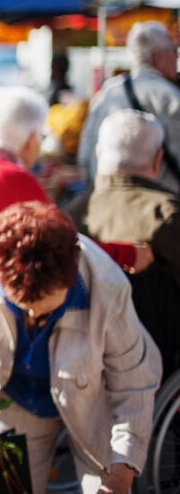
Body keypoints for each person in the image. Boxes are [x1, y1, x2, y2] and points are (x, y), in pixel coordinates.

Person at [0, 85, 147, 435]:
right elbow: (63, 246)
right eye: (39, 136)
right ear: (28, 138)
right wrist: (128, 253)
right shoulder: (13, 178)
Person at [0, 201, 161, 494]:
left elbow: (135, 385)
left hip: (95, 407)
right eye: (22, 309)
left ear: (70, 279)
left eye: (45, 311)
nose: (33, 318)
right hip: (14, 403)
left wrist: (121, 475)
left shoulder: (108, 287)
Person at [65, 109, 180, 379]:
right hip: (155, 362)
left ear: (99, 154)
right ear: (158, 160)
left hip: (80, 360)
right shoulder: (168, 214)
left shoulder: (69, 216)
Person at [78, 20, 180, 192]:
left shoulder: (107, 92)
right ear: (158, 57)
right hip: (161, 205)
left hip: (107, 198)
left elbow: (85, 155)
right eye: (174, 51)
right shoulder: (169, 96)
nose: (176, 57)